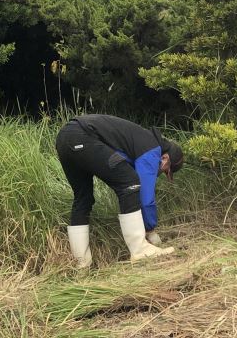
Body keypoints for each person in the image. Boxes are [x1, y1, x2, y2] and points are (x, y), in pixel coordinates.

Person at [55, 114, 183, 267]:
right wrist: (150, 229)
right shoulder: (152, 149)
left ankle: (82, 263)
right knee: (130, 182)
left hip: (65, 138)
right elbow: (145, 196)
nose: (160, 173)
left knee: (83, 198)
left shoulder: (141, 140)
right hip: (82, 135)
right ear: (165, 159)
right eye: (165, 171)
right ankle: (140, 249)